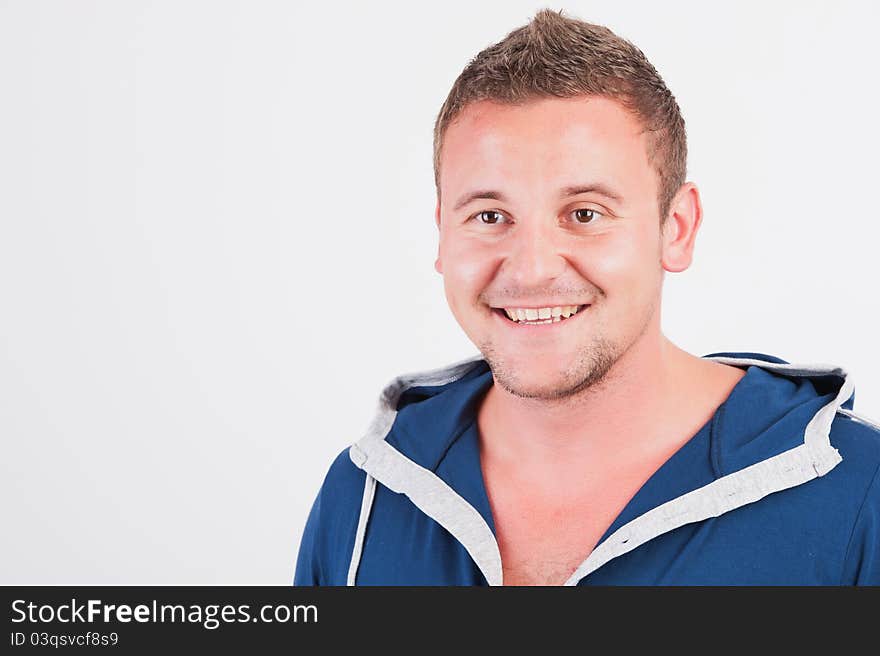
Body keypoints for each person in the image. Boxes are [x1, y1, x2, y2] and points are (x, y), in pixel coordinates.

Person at [293, 9, 880, 585]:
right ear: (442, 234)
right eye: (490, 215)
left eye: (584, 213)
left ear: (676, 228)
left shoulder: (859, 493)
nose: (531, 269)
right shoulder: (365, 496)